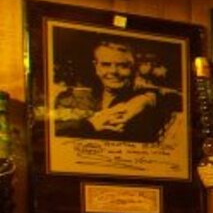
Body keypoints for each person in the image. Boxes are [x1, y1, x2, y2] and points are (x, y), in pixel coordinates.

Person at [53, 39, 181, 142]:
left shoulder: (145, 101)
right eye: (106, 64)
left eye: (123, 66)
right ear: (96, 67)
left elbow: (178, 98)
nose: (113, 71)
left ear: (133, 68)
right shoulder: (74, 97)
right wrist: (89, 125)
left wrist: (147, 99)